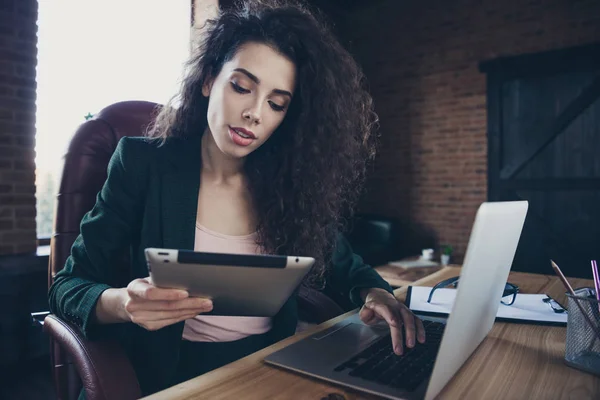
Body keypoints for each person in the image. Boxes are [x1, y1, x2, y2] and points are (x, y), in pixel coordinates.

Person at [48, 0, 426, 397]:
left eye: (277, 103)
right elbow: (66, 287)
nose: (255, 113)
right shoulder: (144, 164)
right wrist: (123, 302)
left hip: (273, 366)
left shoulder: (290, 187)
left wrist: (377, 293)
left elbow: (351, 270)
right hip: (174, 374)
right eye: (242, 87)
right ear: (210, 80)